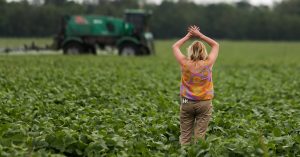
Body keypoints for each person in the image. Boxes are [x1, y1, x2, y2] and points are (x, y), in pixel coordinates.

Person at [172, 25, 219, 145]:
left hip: (187, 102)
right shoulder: (208, 63)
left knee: (185, 135)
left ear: (190, 51)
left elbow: (175, 46)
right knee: (200, 136)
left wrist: (188, 36)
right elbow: (215, 45)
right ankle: (198, 153)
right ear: (204, 51)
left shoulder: (184, 63)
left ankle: (185, 152)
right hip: (204, 103)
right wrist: (200, 35)